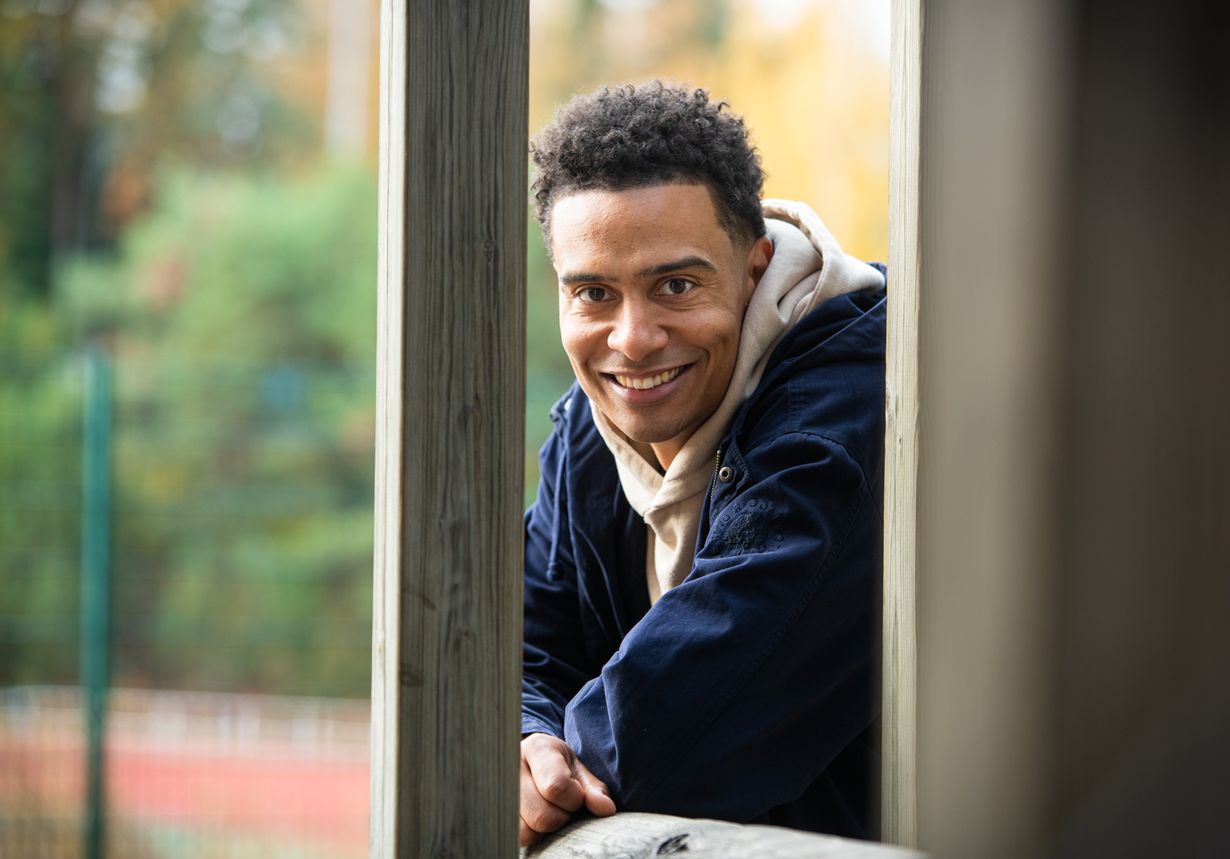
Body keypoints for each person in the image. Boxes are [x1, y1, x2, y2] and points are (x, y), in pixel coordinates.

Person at [519, 81, 886, 848]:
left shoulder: (843, 421)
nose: (633, 339)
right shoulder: (591, 431)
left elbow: (670, 740)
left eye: (676, 286)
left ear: (755, 266)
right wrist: (527, 734)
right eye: (594, 293)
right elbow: (522, 647)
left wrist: (545, 768)